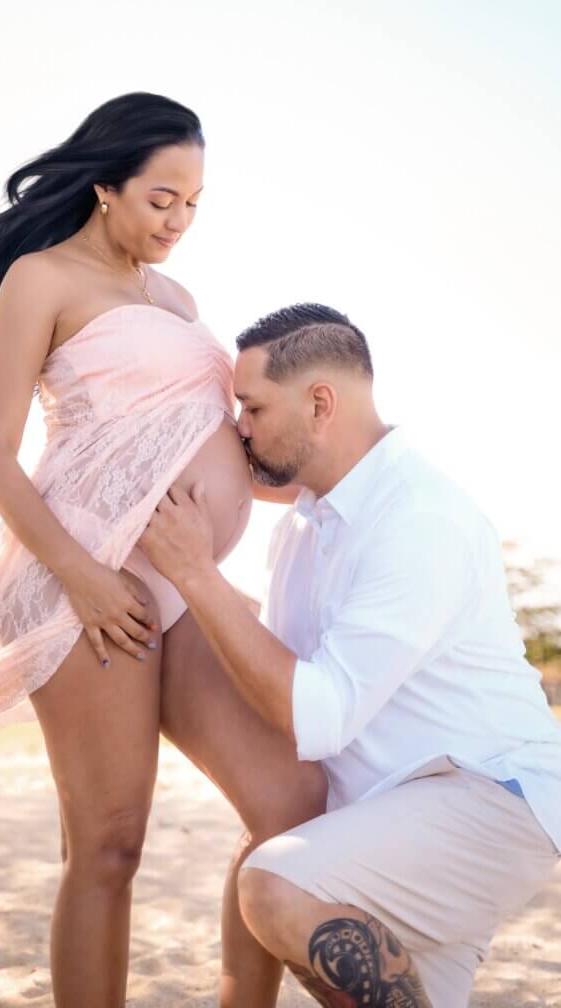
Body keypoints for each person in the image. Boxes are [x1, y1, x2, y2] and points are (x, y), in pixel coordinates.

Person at [0, 95, 326, 1008]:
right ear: (105, 185)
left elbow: (201, 431)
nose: (178, 221)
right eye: (162, 198)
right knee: (110, 841)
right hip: (84, 581)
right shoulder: (41, 279)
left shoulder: (176, 300)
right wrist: (80, 577)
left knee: (288, 804)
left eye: (194, 204)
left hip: (183, 582)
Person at [138, 301, 561, 1008]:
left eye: (251, 407)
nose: (238, 429)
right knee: (270, 861)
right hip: (390, 813)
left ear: (320, 402)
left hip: (487, 797)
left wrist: (194, 574)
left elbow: (317, 717)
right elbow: (282, 673)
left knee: (277, 883)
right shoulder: (303, 528)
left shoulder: (418, 517)